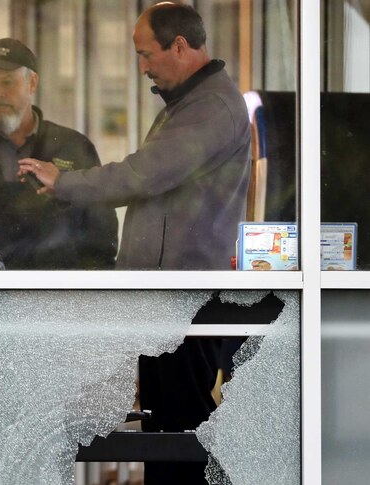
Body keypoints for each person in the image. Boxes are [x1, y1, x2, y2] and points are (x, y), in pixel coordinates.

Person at [18, 3, 251, 483]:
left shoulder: (213, 108)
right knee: (166, 436)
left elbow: (145, 174)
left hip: (185, 306)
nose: (142, 67)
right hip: (164, 302)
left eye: (146, 55)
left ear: (180, 46)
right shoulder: (190, 105)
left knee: (186, 444)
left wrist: (65, 184)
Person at [0, 37, 117, 269]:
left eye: (7, 82)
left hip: (55, 296)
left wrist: (86, 297)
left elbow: (101, 235)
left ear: (32, 83)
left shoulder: (73, 147)